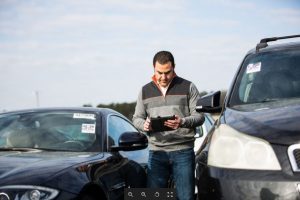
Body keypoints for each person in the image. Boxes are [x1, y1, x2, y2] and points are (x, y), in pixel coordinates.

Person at [132, 50, 205, 200]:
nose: (163, 77)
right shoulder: (144, 91)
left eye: (167, 72)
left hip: (183, 151)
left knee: (185, 197)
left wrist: (182, 122)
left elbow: (200, 117)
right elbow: (136, 118)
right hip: (156, 152)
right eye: (159, 72)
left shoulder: (189, 87)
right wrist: (144, 125)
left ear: (174, 68)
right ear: (153, 68)